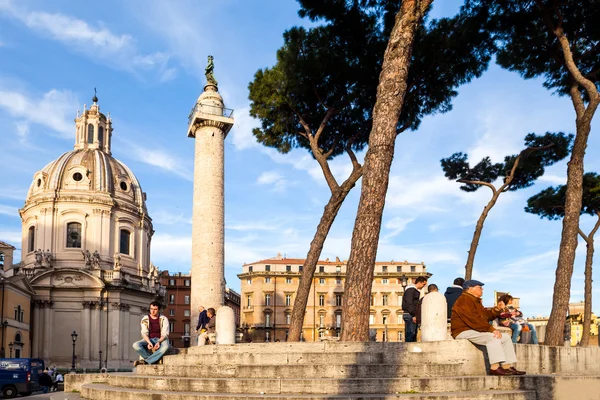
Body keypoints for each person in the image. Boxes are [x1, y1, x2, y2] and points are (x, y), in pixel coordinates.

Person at [451, 279, 525, 376]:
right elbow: (474, 320)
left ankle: (507, 367)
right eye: (479, 287)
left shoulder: (474, 300)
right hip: (463, 331)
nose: (482, 290)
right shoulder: (464, 300)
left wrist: (497, 309)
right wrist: (492, 330)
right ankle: (495, 368)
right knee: (493, 337)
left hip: (472, 329)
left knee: (506, 337)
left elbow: (485, 315)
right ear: (470, 289)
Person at [132, 301, 170, 366]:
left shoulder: (164, 319)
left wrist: (159, 342)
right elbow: (144, 333)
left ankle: (147, 361)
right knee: (136, 345)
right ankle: (154, 360)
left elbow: (165, 334)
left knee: (166, 346)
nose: (153, 311)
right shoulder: (145, 319)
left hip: (161, 339)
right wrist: (149, 342)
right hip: (150, 339)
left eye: (155, 309)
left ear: (159, 310)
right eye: (151, 309)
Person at [402, 276, 428, 342]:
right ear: (419, 282)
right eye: (423, 284)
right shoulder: (411, 291)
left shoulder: (412, 291)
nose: (424, 286)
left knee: (412, 334)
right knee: (411, 333)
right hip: (410, 314)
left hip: (410, 314)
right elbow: (409, 303)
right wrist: (413, 315)